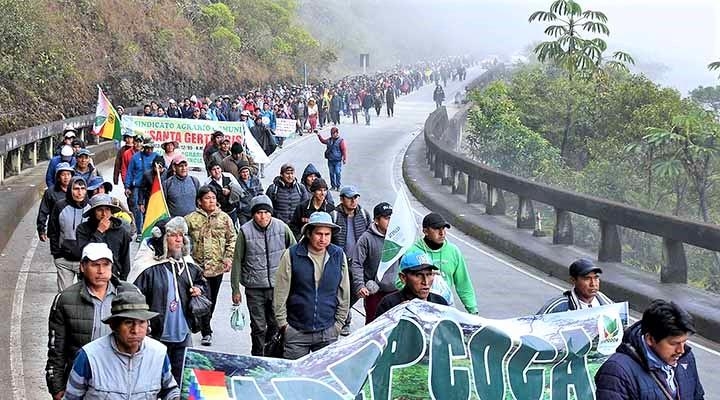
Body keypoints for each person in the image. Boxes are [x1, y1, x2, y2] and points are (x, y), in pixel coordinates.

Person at [63, 287, 180, 400]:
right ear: (113, 325)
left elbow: (169, 389)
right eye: (128, 322)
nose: (136, 330)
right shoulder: (90, 356)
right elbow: (71, 397)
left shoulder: (158, 354)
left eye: (141, 322)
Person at [129, 216, 207, 385]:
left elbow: (202, 282)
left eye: (182, 235)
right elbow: (133, 300)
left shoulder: (188, 264)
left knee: (180, 382)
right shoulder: (146, 267)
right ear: (162, 239)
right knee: (152, 383)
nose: (179, 239)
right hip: (155, 336)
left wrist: (199, 289)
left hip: (183, 335)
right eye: (173, 235)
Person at [45, 243, 124, 400]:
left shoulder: (128, 294)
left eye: (106, 265)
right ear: (82, 267)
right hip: (81, 381)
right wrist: (57, 388)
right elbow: (56, 349)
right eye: (95, 265)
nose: (101, 271)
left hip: (119, 380)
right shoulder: (65, 300)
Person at [273, 212, 350, 359]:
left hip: (327, 330)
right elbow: (280, 292)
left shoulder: (338, 255)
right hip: (296, 331)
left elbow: (344, 291)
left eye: (327, 234)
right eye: (319, 234)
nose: (323, 239)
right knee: (294, 378)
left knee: (323, 377)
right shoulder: (292, 254)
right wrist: (283, 324)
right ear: (309, 233)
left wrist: (339, 323)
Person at [594, 299, 704, 400]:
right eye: (674, 343)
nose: (681, 350)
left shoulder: (686, 358)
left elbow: (697, 396)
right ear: (650, 339)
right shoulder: (617, 371)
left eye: (684, 342)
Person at [231, 195, 296, 356]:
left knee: (275, 323)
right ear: (253, 214)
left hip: (278, 287)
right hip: (254, 288)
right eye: (259, 213)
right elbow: (237, 260)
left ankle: (271, 353)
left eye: (266, 212)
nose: (263, 216)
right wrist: (235, 289)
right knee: (258, 326)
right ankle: (258, 355)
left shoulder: (282, 228)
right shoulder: (245, 232)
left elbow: (295, 252)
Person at [185, 186, 237, 346]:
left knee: (211, 300)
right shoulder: (190, 219)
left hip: (217, 268)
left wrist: (228, 258)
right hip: (197, 268)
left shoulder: (224, 218)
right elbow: (183, 242)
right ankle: (206, 331)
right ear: (200, 202)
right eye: (207, 198)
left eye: (213, 197)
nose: (211, 201)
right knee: (201, 297)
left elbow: (232, 238)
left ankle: (204, 322)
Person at [405, 212, 478, 314]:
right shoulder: (413, 252)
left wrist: (473, 310)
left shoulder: (453, 251)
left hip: (445, 307)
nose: (442, 233)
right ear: (425, 231)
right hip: (419, 308)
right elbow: (400, 282)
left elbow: (463, 283)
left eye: (443, 228)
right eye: (436, 229)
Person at [350, 202, 398, 324]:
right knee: (373, 324)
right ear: (376, 220)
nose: (390, 221)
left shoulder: (398, 238)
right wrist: (360, 285)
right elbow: (357, 263)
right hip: (374, 291)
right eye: (387, 218)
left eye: (392, 218)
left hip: (395, 290)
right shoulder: (366, 238)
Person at [332, 185, 372, 334]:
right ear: (342, 199)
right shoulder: (334, 216)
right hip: (341, 262)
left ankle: (343, 317)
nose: (353, 201)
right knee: (342, 292)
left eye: (355, 197)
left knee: (356, 292)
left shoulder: (363, 214)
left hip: (359, 262)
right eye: (350, 198)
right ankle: (345, 321)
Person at [375, 250, 449, 318]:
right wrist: (396, 314)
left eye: (429, 274)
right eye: (418, 275)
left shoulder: (440, 303)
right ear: (403, 278)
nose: (425, 282)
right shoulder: (389, 304)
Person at [74, 194, 132, 280]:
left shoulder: (121, 231)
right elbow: (84, 252)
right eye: (99, 210)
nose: (104, 214)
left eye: (107, 209)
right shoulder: (83, 229)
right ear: (93, 212)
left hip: (114, 277)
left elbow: (125, 259)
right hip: (90, 277)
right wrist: (99, 232)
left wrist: (123, 280)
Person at [48, 176, 89, 291]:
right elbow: (53, 231)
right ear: (70, 189)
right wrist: (57, 255)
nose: (79, 192)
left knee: (86, 296)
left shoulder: (91, 208)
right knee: (64, 296)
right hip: (64, 260)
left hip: (84, 261)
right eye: (76, 189)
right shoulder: (59, 206)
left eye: (82, 188)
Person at [537, 258, 614, 314]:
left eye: (596, 278)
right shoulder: (558, 307)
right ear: (573, 280)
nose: (593, 284)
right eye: (587, 279)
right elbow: (533, 328)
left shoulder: (606, 303)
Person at [125, 139, 158, 238]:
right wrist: (127, 186)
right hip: (137, 187)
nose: (149, 150)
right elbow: (130, 172)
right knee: (138, 209)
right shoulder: (135, 157)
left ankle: (149, 229)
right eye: (147, 148)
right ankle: (139, 231)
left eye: (151, 148)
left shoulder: (156, 156)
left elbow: (162, 169)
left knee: (150, 208)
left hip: (150, 187)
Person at [37, 162, 74, 242]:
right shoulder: (50, 192)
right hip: (55, 231)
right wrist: (41, 230)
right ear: (58, 177)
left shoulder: (77, 190)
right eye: (63, 175)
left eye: (68, 174)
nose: (66, 177)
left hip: (73, 231)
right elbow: (43, 211)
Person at [317, 127, 347, 191]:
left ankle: (338, 186)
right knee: (331, 173)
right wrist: (318, 135)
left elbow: (344, 150)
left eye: (334, 133)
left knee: (337, 172)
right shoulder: (329, 140)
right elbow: (323, 141)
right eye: (332, 133)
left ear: (337, 133)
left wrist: (344, 158)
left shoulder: (341, 141)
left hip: (337, 160)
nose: (333, 135)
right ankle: (333, 186)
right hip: (330, 160)